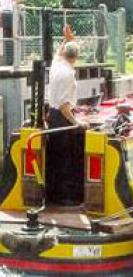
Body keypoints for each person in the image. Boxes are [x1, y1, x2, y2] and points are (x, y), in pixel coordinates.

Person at [46, 25, 89, 206]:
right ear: (76, 57)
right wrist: (77, 122)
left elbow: (58, 54)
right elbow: (64, 106)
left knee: (55, 155)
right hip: (62, 118)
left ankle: (53, 195)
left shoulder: (56, 65)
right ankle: (64, 198)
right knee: (65, 158)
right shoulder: (67, 75)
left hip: (52, 116)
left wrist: (67, 40)